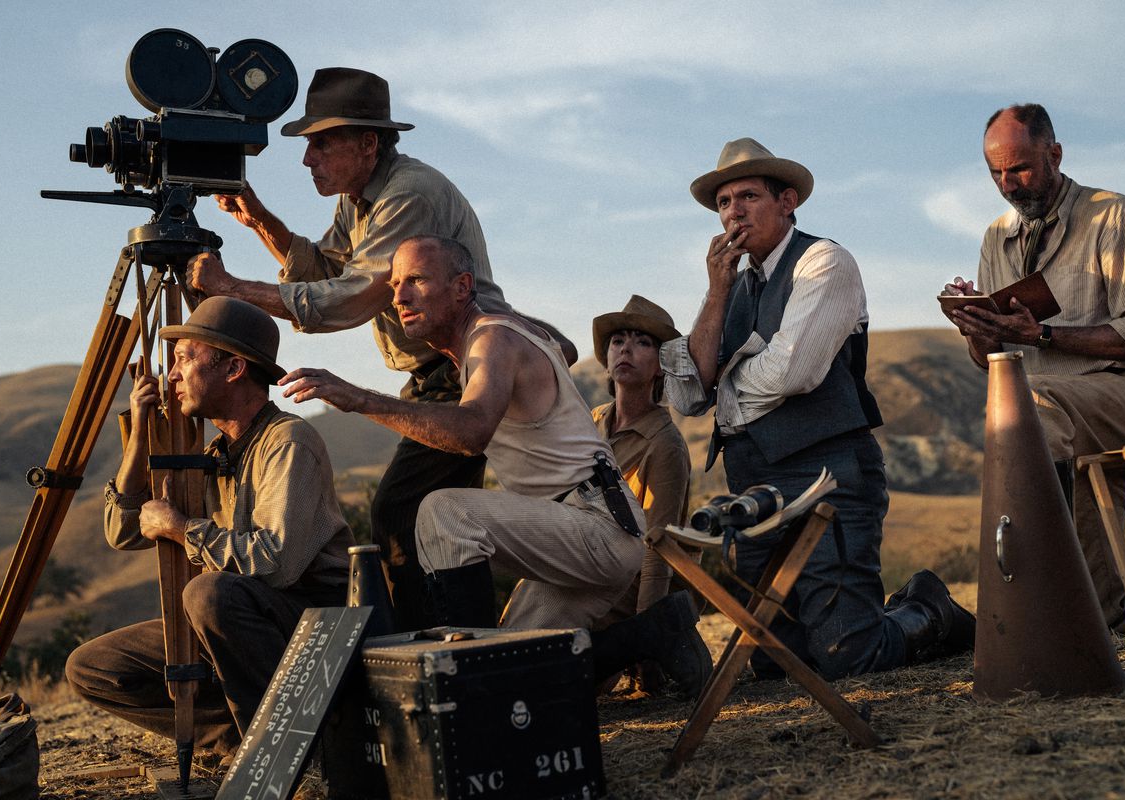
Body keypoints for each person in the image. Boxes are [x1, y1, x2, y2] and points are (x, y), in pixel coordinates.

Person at [186, 67, 571, 630]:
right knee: (431, 517)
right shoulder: (361, 196)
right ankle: (459, 651)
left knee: (401, 513)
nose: (307, 159)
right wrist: (260, 221)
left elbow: (351, 296)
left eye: (320, 143)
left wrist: (232, 289)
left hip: (466, 364)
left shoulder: (407, 194)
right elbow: (331, 268)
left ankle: (432, 656)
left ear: (368, 143)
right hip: (441, 368)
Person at [280, 235, 712, 694]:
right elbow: (563, 348)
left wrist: (359, 398)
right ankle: (651, 634)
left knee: (444, 513)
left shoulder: (493, 340)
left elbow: (471, 432)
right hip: (576, 537)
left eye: (417, 281)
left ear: (463, 287)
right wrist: (499, 313)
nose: (400, 296)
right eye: (396, 285)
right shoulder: (494, 337)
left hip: (597, 528)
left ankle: (467, 687)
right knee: (518, 672)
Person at [661, 137, 974, 681]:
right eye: (724, 202)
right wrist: (715, 294)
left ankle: (929, 610)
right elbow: (688, 396)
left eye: (748, 196)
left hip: (826, 473)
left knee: (847, 657)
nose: (734, 211)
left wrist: (721, 383)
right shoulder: (730, 286)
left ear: (787, 201)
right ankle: (888, 616)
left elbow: (793, 373)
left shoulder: (824, 261)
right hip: (752, 478)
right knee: (775, 661)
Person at [65, 297, 353, 756]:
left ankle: (282, 754)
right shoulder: (212, 454)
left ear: (233, 368)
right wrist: (139, 436)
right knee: (93, 667)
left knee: (208, 593)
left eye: (184, 360)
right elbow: (123, 531)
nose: (171, 376)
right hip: (235, 618)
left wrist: (182, 529)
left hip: (309, 621)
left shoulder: (288, 441)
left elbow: (275, 565)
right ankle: (241, 745)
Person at [943, 104, 1125, 626]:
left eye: (1020, 168)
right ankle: (1111, 610)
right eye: (996, 173)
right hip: (1053, 413)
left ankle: (1022, 595)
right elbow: (992, 362)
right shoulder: (994, 238)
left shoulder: (1111, 214)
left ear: (1055, 154)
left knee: (1027, 405)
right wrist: (980, 329)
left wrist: (1043, 334)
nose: (1008, 184)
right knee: (1100, 607)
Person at [590, 295, 694, 694]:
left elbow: (660, 549)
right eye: (618, 340)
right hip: (581, 564)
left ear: (660, 366)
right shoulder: (594, 421)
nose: (626, 349)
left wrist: (645, 646)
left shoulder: (665, 444)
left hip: (623, 589)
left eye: (642, 342)